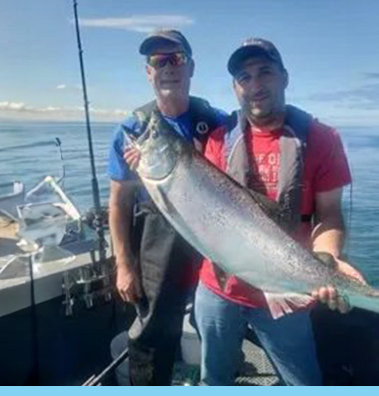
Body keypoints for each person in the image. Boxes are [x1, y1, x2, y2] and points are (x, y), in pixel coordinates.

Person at [193, 38, 366, 386]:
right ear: (234, 87)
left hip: (286, 286)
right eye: (245, 77)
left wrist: (327, 260)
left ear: (285, 77)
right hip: (217, 288)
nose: (255, 86)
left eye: (265, 73)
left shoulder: (322, 138)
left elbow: (329, 214)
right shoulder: (218, 139)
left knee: (304, 382)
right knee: (213, 378)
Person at [107, 29, 226, 385]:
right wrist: (124, 265)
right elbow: (119, 203)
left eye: (176, 59)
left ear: (191, 67)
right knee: (154, 331)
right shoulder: (133, 129)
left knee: (218, 320)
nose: (168, 68)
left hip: (216, 233)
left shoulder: (218, 121)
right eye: (158, 61)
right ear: (148, 72)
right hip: (158, 241)